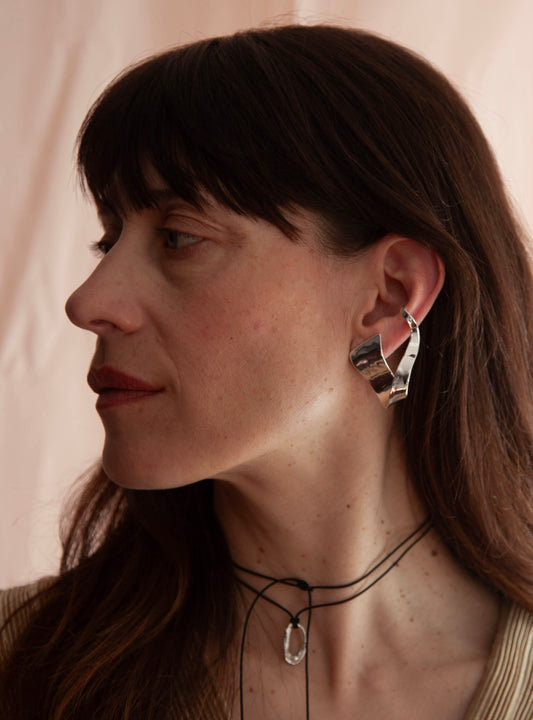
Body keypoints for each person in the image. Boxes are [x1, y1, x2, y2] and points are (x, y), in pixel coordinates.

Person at [1, 23, 533, 720]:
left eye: (178, 237)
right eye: (110, 239)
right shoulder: (19, 666)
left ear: (389, 295)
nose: (87, 302)